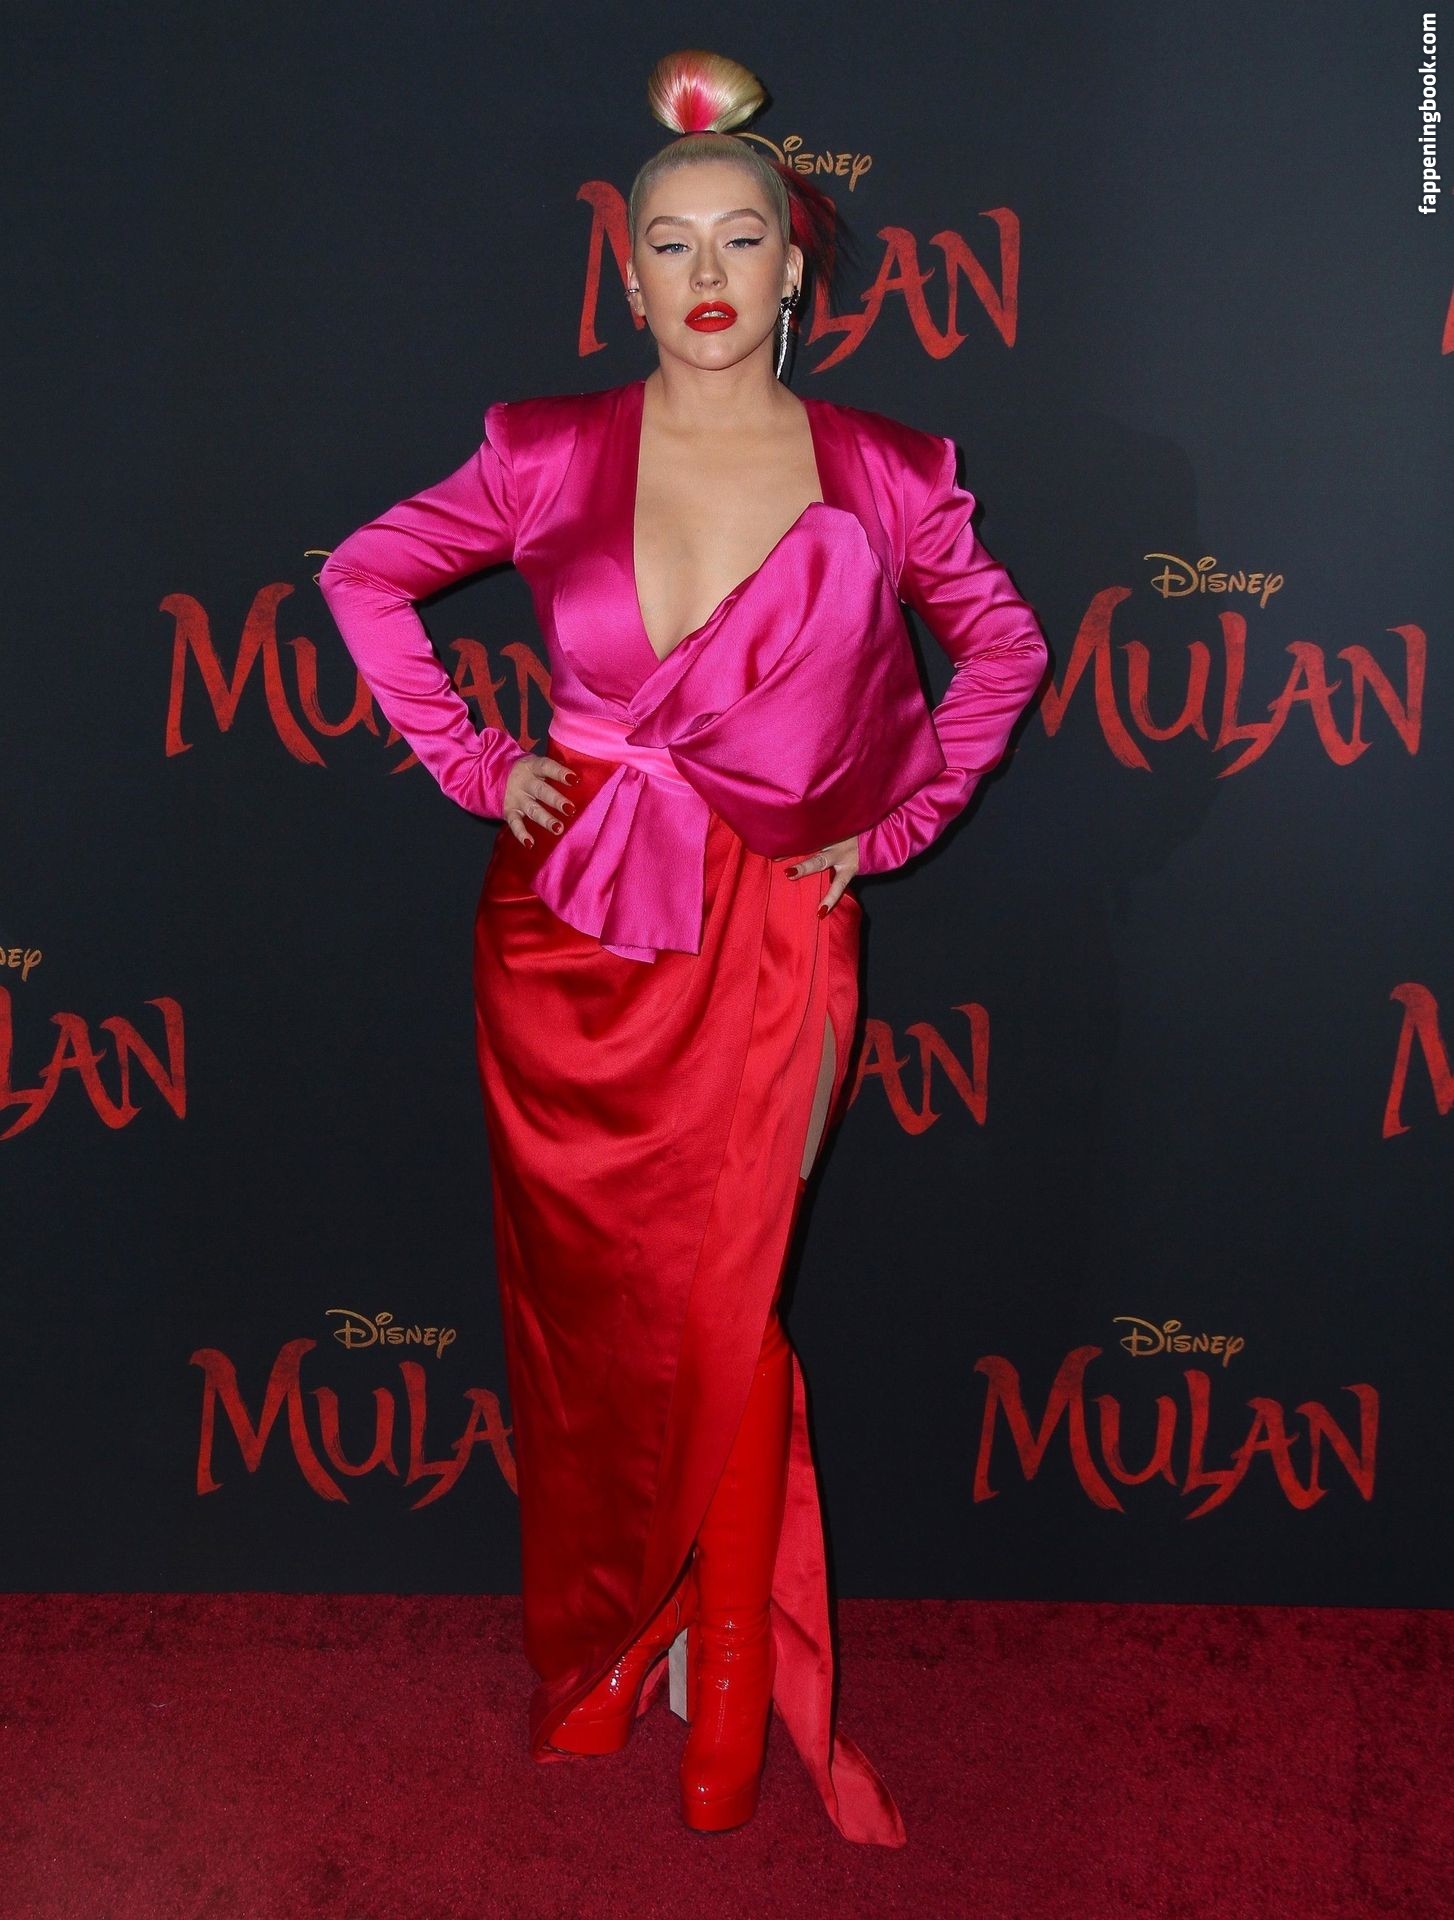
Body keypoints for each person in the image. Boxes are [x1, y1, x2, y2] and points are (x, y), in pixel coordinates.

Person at [318, 47, 1048, 1848]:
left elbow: (1004, 650)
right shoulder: (545, 450)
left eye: (740, 239)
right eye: (669, 243)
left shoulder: (884, 470)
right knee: (593, 1322)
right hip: (564, 934)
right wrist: (476, 764)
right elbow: (362, 576)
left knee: (732, 1302)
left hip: (777, 935)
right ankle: (615, 1638)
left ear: (796, 268)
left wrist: (894, 826)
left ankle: (730, 1682)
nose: (706, 273)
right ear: (627, 274)